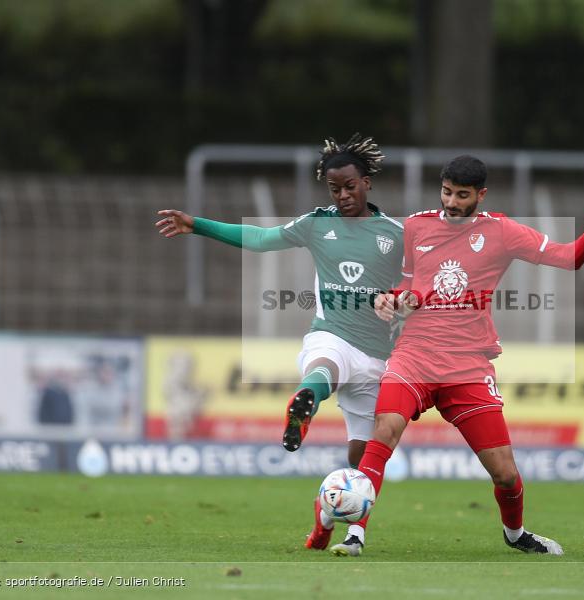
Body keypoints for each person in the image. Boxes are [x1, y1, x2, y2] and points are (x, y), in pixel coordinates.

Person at [351, 155, 584, 557]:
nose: (451, 202)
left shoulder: (502, 232)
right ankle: (355, 533)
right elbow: (411, 282)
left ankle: (515, 533)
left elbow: (568, 258)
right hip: (414, 355)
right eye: (446, 192)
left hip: (467, 365)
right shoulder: (416, 226)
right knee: (383, 433)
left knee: (504, 473)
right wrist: (391, 299)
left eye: (461, 195)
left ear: (480, 195)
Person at [155, 134, 403, 556]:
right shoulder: (316, 223)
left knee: (361, 459)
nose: (342, 195)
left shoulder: (395, 233)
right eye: (334, 188)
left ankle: (331, 528)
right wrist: (199, 225)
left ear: (367, 183)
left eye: (349, 186)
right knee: (323, 364)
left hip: (379, 356)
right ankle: (307, 400)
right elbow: (260, 238)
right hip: (333, 332)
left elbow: (424, 278)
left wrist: (400, 301)